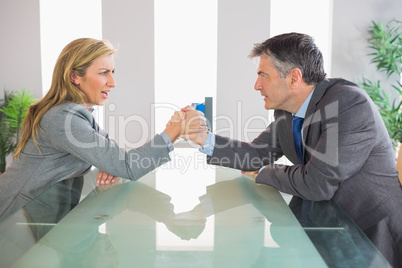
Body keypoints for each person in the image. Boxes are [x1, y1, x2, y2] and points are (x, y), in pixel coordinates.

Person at [181, 33, 402, 267]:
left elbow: (318, 183)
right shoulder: (288, 112)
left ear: (294, 78)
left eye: (263, 76)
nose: (257, 85)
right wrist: (203, 138)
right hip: (329, 225)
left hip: (370, 230)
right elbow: (256, 154)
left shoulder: (347, 104)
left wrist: (264, 172)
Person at [0, 38, 207, 221]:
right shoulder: (64, 119)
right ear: (75, 77)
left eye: (112, 72)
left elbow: (114, 157)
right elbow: (127, 166)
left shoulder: (78, 113)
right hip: (14, 221)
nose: (113, 82)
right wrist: (176, 129)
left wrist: (111, 163)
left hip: (37, 216)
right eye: (103, 73)